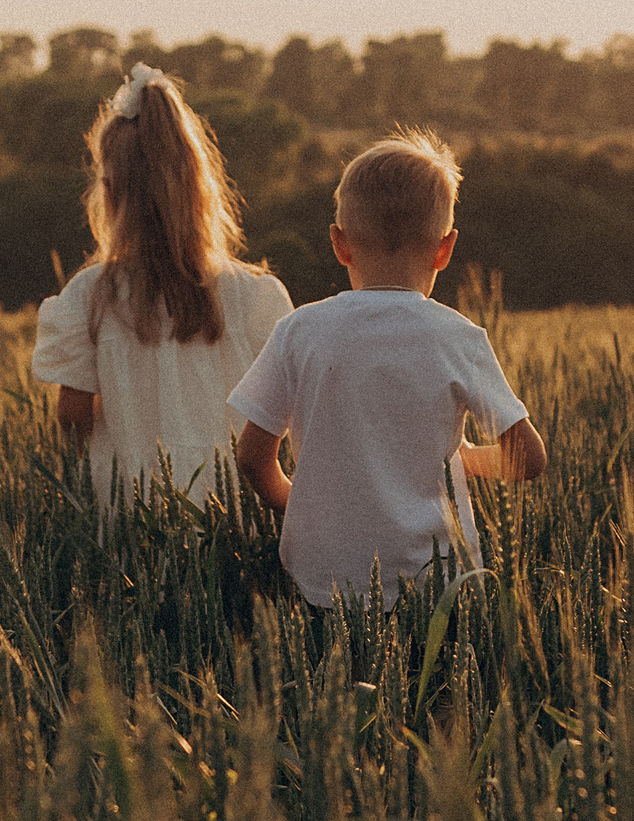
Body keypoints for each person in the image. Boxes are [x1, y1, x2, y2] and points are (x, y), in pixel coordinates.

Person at [230, 129, 546, 605]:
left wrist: (300, 507)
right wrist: (464, 457)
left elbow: (253, 458)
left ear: (340, 244)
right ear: (445, 248)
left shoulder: (298, 331)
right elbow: (529, 458)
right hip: (436, 580)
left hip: (321, 576)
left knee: (332, 674)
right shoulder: (459, 338)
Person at [32, 63, 293, 516]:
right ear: (199, 185)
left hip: (128, 515)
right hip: (233, 517)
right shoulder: (255, 296)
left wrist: (128, 417)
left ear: (109, 193)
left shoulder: (89, 296)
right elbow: (280, 416)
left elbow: (72, 418)